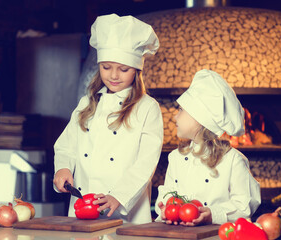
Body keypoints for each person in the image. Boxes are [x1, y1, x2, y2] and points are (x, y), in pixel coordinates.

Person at [53, 13, 163, 224]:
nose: (113, 76)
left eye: (123, 69)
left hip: (126, 211)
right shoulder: (87, 102)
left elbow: (145, 162)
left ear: (137, 71)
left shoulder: (148, 108)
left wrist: (119, 196)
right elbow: (67, 145)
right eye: (106, 67)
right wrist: (63, 167)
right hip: (84, 206)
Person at [156, 69, 261, 226]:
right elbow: (167, 192)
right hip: (178, 233)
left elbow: (245, 205)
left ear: (200, 120)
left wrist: (213, 214)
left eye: (181, 110)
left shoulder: (233, 160)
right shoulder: (176, 157)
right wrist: (165, 208)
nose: (175, 116)